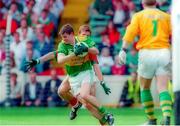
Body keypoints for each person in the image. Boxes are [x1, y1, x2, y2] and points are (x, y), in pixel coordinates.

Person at [26, 24, 113, 125]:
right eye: (84, 34)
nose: (86, 37)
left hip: (87, 73)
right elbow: (54, 55)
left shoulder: (88, 47)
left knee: (89, 104)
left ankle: (104, 121)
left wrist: (102, 82)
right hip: (73, 74)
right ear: (78, 34)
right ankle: (76, 106)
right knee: (61, 91)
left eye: (88, 36)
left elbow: (96, 66)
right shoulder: (66, 44)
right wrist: (38, 61)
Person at [118, 0, 172, 125]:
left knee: (144, 87)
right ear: (156, 3)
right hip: (164, 52)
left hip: (147, 52)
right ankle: (167, 117)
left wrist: (123, 50)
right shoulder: (166, 16)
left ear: (143, 3)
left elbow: (130, 34)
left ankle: (151, 120)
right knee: (163, 88)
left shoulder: (138, 16)